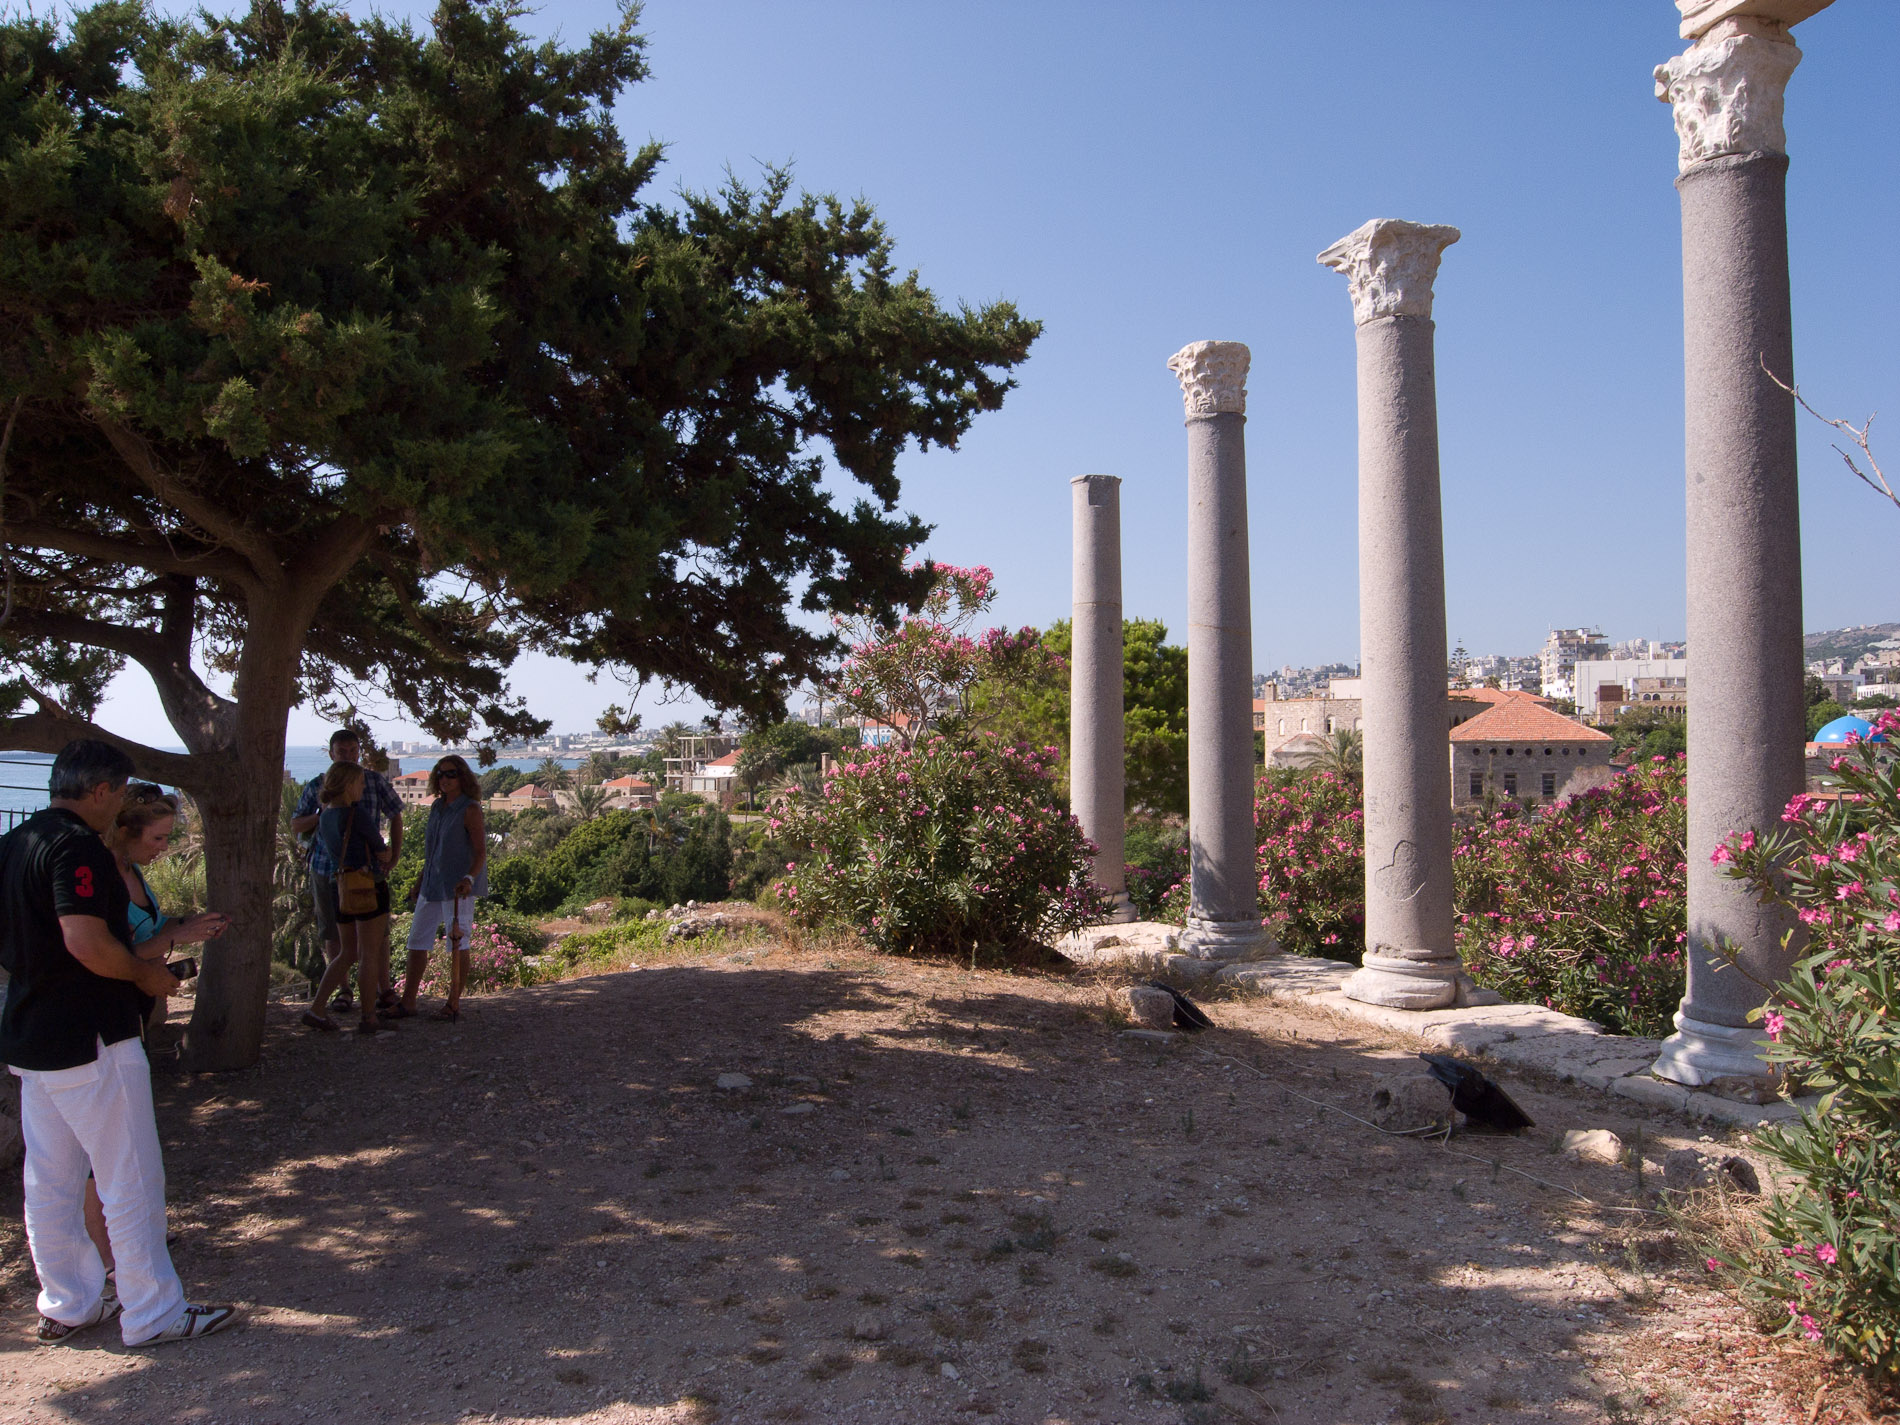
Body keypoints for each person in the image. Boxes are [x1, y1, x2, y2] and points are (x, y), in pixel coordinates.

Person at [0, 739, 237, 1346]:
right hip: (91, 1033)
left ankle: (69, 1301)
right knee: (129, 1173)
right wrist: (143, 975)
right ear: (103, 791)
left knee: (50, 1178)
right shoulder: (75, 847)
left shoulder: (15, 844)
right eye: (120, 794)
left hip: (32, 1032)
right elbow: (84, 940)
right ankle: (153, 1310)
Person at [80, 785, 230, 1274]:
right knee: (102, 1145)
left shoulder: (134, 872)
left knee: (127, 1139)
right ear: (126, 830)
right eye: (159, 838)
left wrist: (189, 924)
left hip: (138, 1013)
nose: (164, 847)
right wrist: (173, 937)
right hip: (105, 1015)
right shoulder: (101, 878)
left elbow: (153, 929)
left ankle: (129, 1237)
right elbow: (113, 952)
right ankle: (107, 1255)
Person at [289, 728, 402, 1013]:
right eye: (343, 752)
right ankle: (346, 992)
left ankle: (382, 988)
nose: (349, 757)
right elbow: (296, 824)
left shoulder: (374, 781)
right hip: (328, 871)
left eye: (353, 751)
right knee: (336, 934)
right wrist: (322, 813)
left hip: (364, 871)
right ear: (331, 754)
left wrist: (397, 856)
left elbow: (396, 815)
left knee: (373, 936)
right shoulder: (317, 786)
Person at [300, 762, 396, 1036]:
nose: (363, 787)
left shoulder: (326, 816)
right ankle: (368, 1018)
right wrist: (387, 856)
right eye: (359, 782)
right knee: (369, 953)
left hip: (338, 886)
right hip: (366, 886)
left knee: (347, 951)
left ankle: (316, 1008)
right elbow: (381, 850)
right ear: (348, 785)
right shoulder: (358, 814)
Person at [397, 756, 488, 1023]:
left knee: (458, 943)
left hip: (457, 887)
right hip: (431, 883)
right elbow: (433, 850)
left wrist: (469, 879)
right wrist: (419, 880)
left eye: (450, 774)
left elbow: (481, 851)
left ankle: (453, 1003)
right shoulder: (437, 807)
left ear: (462, 777)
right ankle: (408, 1001)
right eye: (440, 774)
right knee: (416, 941)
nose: (444, 779)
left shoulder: (470, 809)